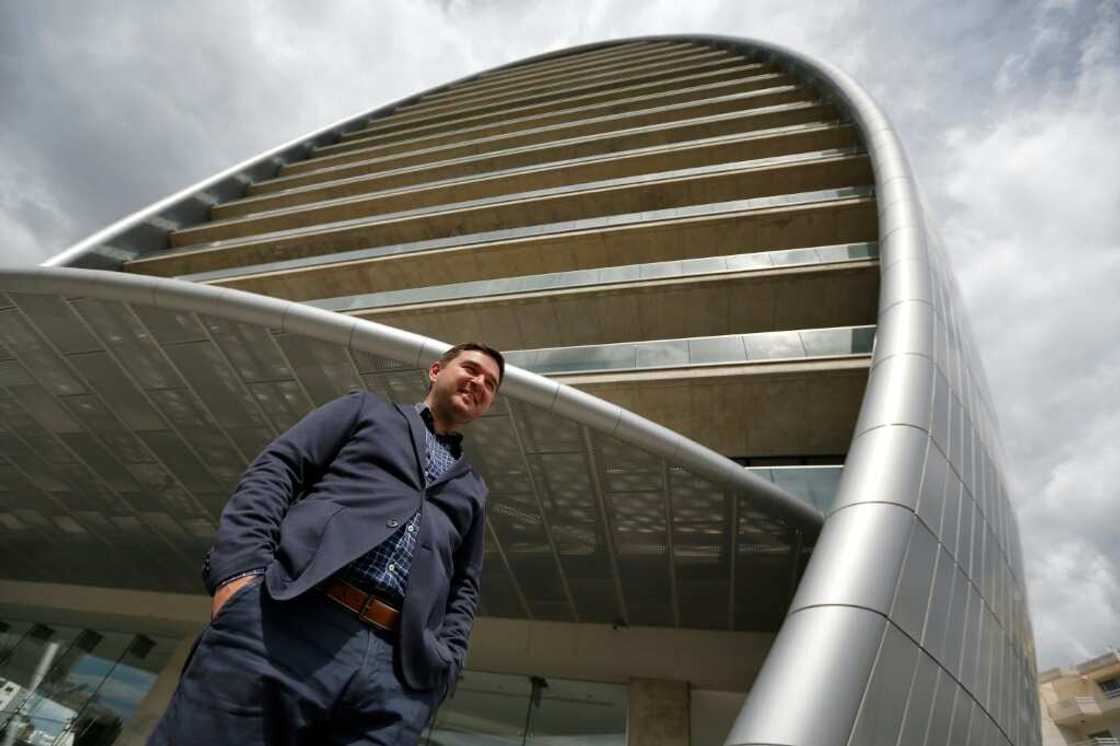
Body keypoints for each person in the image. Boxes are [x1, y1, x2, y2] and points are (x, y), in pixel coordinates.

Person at [149, 342, 504, 745]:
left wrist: (446, 665)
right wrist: (239, 573)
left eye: (490, 384)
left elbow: (465, 584)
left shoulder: (472, 487)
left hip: (396, 673)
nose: (479, 383)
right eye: (471, 369)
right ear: (436, 371)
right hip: (286, 620)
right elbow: (277, 469)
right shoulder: (365, 410)